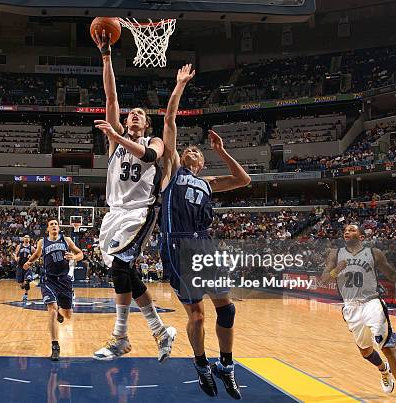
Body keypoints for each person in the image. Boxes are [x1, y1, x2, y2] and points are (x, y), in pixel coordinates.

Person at [159, 64, 251, 398]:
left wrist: (222, 151)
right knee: (197, 316)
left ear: (202, 161)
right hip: (178, 247)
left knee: (227, 309)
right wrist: (180, 84)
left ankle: (226, 365)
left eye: (197, 152)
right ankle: (201, 366)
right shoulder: (171, 171)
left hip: (206, 246)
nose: (192, 151)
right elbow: (169, 122)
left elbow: (244, 180)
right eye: (189, 150)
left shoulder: (208, 181)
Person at [91, 27, 176, 363]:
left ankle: (120, 337)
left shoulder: (153, 142)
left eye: (139, 115)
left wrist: (119, 136)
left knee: (121, 269)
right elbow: (111, 97)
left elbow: (151, 158)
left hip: (140, 211)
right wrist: (107, 55)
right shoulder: (116, 139)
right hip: (113, 213)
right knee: (124, 272)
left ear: (146, 124)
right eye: (130, 115)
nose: (133, 115)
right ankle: (159, 330)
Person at [320, 224, 396, 403]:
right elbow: (323, 280)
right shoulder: (335, 254)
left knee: (387, 346)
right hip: (350, 307)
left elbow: (391, 273)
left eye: (351, 230)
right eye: (345, 230)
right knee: (366, 351)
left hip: (372, 303)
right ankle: (383, 369)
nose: (347, 232)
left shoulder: (374, 253)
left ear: (360, 235)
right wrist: (336, 271)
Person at [23, 219, 83, 361]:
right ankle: (55, 346)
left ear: (59, 227)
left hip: (64, 281)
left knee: (67, 315)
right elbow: (37, 255)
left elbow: (80, 253)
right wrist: (29, 262)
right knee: (52, 309)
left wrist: (74, 257)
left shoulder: (66, 240)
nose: (54, 226)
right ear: (48, 229)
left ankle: (61, 311)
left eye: (56, 224)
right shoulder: (42, 242)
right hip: (48, 280)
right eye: (51, 224)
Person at [14, 235, 35, 302]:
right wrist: (16, 258)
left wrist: (31, 258)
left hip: (27, 267)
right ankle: (23, 285)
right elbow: (15, 255)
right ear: (23, 239)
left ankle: (26, 295)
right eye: (25, 237)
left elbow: (36, 256)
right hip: (20, 266)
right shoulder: (19, 246)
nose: (26, 238)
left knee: (27, 281)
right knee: (21, 284)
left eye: (28, 237)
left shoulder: (31, 248)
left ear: (29, 239)